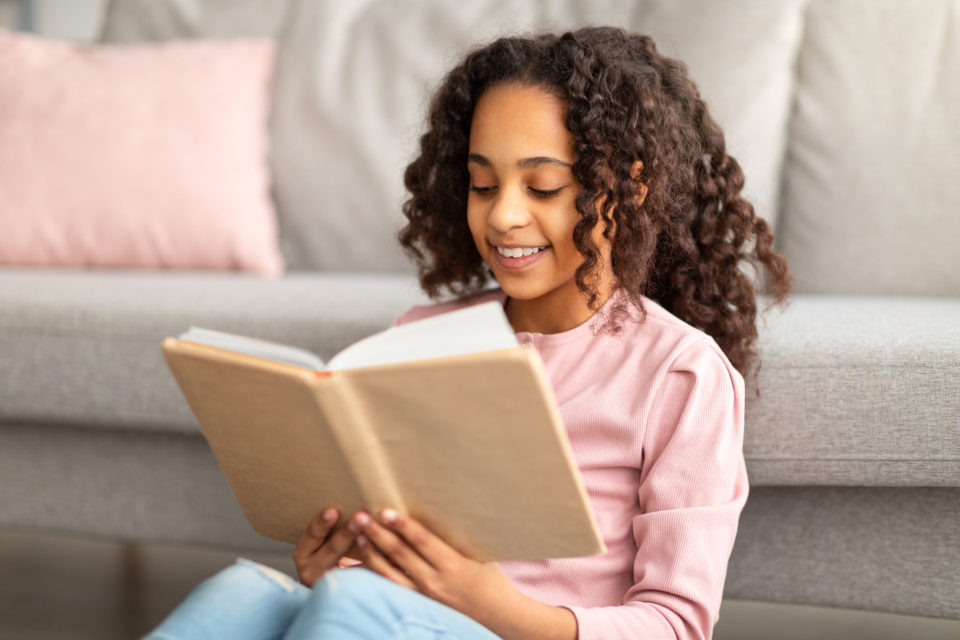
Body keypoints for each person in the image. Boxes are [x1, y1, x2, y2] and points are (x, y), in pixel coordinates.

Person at [145, 26, 790, 640]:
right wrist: (338, 566)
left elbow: (677, 626)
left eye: (542, 187)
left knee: (351, 607)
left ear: (629, 187)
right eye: (483, 184)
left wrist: (498, 609)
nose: (504, 215)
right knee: (247, 593)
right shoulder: (421, 338)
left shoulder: (679, 372)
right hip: (398, 619)